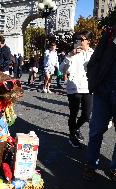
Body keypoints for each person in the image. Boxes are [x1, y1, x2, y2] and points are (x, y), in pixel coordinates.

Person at [82, 26, 116, 181]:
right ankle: (91, 164)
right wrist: (94, 80)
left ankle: (114, 167)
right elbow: (95, 59)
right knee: (96, 130)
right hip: (104, 90)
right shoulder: (111, 33)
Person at [61, 31, 94, 148]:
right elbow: (62, 69)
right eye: (77, 39)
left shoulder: (93, 53)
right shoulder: (72, 53)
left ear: (88, 41)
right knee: (73, 114)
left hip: (88, 87)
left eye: (82, 39)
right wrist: (70, 55)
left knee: (86, 114)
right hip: (74, 87)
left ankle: (75, 129)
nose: (79, 41)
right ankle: (72, 136)